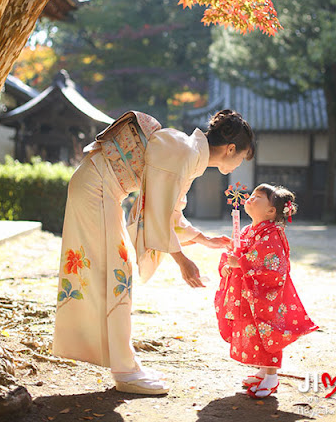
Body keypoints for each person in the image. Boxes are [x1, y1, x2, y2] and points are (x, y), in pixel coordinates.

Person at [53, 109, 255, 395]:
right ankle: (125, 370)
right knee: (117, 274)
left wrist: (203, 240)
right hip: (96, 189)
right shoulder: (183, 153)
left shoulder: (187, 154)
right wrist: (183, 261)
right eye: (240, 158)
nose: (237, 165)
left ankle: (123, 363)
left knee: (115, 274)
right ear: (231, 148)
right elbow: (157, 212)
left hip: (100, 189)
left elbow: (169, 212)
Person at [215, 183, 318, 399]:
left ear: (271, 211)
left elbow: (272, 265)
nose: (251, 198)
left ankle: (272, 376)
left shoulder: (272, 233)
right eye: (251, 195)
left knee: (266, 328)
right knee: (252, 328)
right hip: (247, 292)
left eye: (258, 197)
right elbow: (239, 254)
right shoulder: (247, 230)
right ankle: (262, 370)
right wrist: (229, 260)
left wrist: (241, 262)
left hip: (265, 292)